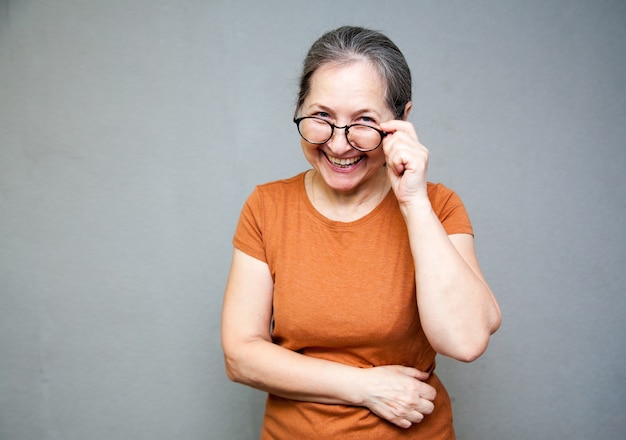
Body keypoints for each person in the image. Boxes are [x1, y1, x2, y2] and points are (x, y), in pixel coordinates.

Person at [221, 25, 501, 439]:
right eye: (321, 117)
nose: (338, 145)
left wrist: (413, 203)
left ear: (401, 121)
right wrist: (365, 388)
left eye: (364, 122)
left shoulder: (438, 206)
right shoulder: (267, 207)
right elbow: (241, 356)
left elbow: (465, 340)